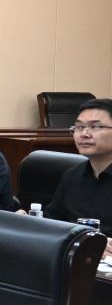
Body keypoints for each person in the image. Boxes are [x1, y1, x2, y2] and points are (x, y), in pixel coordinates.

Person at [44, 97, 112, 234]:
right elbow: (52, 224)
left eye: (95, 127)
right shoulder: (72, 175)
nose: (84, 134)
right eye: (79, 127)